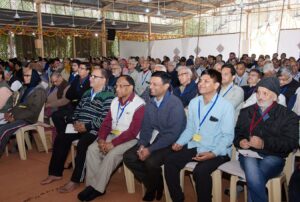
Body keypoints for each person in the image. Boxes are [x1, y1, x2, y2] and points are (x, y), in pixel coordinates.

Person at [164, 69, 235, 202]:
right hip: (196, 144)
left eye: (206, 81)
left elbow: (228, 137)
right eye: (200, 80)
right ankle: (177, 198)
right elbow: (190, 128)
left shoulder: (226, 106)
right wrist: (180, 142)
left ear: (216, 85)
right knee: (170, 160)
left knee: (200, 172)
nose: (201, 84)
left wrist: (213, 153)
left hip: (218, 150)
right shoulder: (194, 102)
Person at [40, 69, 115, 193]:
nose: (90, 78)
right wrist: (75, 122)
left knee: (83, 144)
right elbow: (77, 110)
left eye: (94, 76)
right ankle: (55, 173)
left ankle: (75, 180)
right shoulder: (86, 93)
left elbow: (105, 119)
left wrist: (87, 126)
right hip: (78, 126)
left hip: (95, 129)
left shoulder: (109, 96)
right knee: (61, 137)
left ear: (104, 80)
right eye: (91, 76)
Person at [77, 75, 145, 201]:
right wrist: (102, 139)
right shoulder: (115, 101)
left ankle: (97, 189)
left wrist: (112, 143)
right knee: (92, 148)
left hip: (130, 139)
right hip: (114, 134)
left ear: (130, 88)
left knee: (112, 154)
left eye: (120, 86)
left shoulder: (139, 104)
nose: (117, 89)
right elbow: (106, 123)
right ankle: (92, 185)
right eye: (116, 86)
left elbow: (132, 131)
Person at [123, 71, 186, 201]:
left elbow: (172, 134)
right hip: (156, 138)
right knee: (129, 157)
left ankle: (152, 188)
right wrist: (142, 145)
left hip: (171, 142)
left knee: (150, 161)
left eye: (155, 84)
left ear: (166, 86)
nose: (150, 87)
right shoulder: (151, 102)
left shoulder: (175, 104)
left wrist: (150, 149)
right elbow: (146, 128)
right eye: (150, 83)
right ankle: (155, 184)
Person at [234, 77, 299, 202]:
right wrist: (240, 141)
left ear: (275, 97)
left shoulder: (288, 116)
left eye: (265, 93)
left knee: (254, 176)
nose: (260, 97)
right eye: (258, 92)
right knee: (252, 169)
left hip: (274, 156)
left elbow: (291, 142)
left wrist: (264, 143)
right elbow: (237, 134)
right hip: (248, 154)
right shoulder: (246, 111)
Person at [0, 66, 46, 157]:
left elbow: (33, 111)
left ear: (34, 77)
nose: (25, 77)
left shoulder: (39, 91)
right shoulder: (26, 88)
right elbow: (18, 104)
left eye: (28, 76)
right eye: (24, 75)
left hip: (28, 118)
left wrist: (15, 117)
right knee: (1, 125)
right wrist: (9, 113)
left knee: (3, 130)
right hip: (18, 114)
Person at [51, 62, 91, 136]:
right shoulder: (77, 78)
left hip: (83, 108)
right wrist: (76, 96)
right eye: (79, 68)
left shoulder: (90, 80)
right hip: (72, 105)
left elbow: (84, 96)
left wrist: (75, 95)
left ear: (88, 71)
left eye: (82, 68)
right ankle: (62, 134)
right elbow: (68, 94)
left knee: (70, 118)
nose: (79, 70)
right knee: (55, 115)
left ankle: (69, 136)